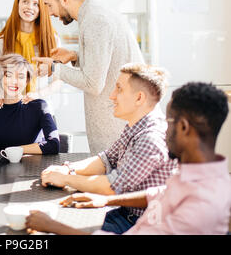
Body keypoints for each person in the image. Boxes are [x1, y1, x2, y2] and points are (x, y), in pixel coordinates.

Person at [26, 82, 231, 235]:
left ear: (184, 127)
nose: (164, 130)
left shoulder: (203, 206)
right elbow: (160, 193)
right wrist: (106, 199)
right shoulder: (197, 172)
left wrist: (52, 227)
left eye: (168, 122)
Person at [39, 63, 177, 234]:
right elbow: (106, 159)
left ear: (139, 98)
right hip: (123, 213)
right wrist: (67, 169)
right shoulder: (136, 126)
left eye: (119, 89)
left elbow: (112, 187)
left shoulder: (151, 138)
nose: (112, 96)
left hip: (139, 224)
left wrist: (65, 179)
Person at [33, 0, 145, 155]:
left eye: (49, 5)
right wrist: (75, 56)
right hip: (118, 127)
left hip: (117, 131)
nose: (50, 13)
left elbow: (93, 83)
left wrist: (54, 68)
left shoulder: (95, 21)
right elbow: (107, 62)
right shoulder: (95, 13)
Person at [0, 54, 60, 167]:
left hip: (35, 168)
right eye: (8, 75)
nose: (14, 81)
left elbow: (54, 144)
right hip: (3, 172)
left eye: (20, 77)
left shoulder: (39, 106)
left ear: (27, 81)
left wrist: (17, 150)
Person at [0, 0, 60, 95]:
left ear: (41, 8)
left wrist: (36, 95)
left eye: (35, 4)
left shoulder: (51, 39)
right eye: (25, 2)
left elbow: (59, 80)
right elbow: (0, 79)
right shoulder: (3, 41)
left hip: (41, 104)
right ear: (17, 4)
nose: (30, 7)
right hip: (13, 107)